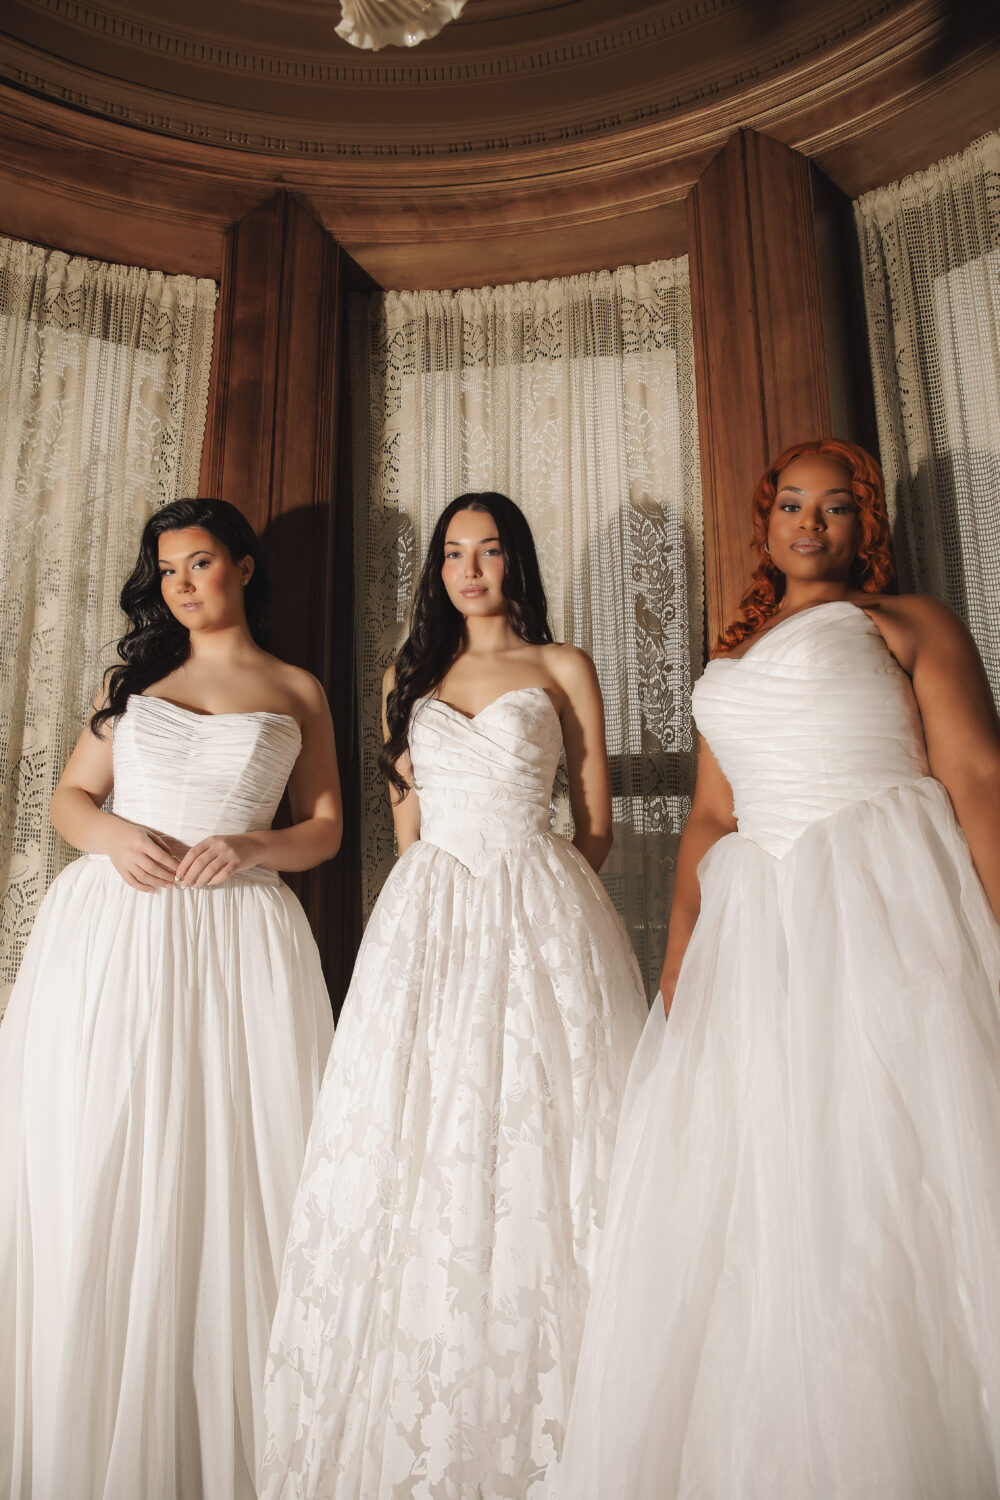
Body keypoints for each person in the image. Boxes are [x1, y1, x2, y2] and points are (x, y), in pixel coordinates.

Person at [557, 439, 1000, 1499]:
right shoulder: (734, 647)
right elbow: (712, 818)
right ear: (763, 525)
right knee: (769, 1162)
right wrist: (679, 959)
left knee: (895, 1145)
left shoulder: (911, 622)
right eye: (791, 504)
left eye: (835, 507)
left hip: (884, 899)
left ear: (864, 525)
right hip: (756, 934)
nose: (811, 523)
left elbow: (976, 774)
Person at [260, 492, 647, 1499]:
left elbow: (595, 824)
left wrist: (538, 893)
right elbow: (405, 829)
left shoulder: (562, 668)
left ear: (516, 562)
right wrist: (448, 898)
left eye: (487, 551)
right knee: (416, 1129)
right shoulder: (410, 675)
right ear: (437, 570)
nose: (467, 569)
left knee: (541, 1129)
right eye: (450, 553)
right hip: (428, 915)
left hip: (536, 902)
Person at [0, 497, 341, 1500]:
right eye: (169, 573)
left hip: (237, 935)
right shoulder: (141, 687)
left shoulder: (294, 689)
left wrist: (252, 847)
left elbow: (321, 826)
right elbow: (68, 799)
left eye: (201, 564)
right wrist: (110, 838)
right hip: (115, 935)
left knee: (231, 1156)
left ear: (241, 566)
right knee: (109, 1147)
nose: (184, 586)